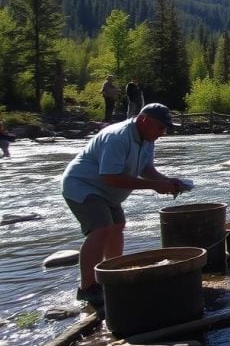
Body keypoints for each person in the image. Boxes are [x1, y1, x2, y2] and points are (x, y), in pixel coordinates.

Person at [61, 103, 189, 306]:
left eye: (165, 128)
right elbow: (110, 177)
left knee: (118, 227)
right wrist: (154, 186)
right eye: (160, 127)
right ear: (144, 120)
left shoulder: (147, 138)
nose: (163, 133)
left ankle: (112, 275)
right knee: (101, 229)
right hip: (84, 185)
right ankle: (88, 288)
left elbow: (146, 170)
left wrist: (167, 181)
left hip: (107, 192)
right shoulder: (118, 137)